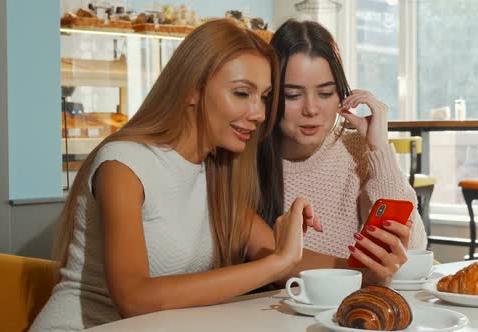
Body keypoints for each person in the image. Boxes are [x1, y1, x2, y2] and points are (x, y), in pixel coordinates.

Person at [30, 19, 327, 331]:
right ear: (192, 91)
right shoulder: (123, 164)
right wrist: (277, 263)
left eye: (264, 96)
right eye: (242, 93)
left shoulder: (215, 172)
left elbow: (288, 259)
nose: (260, 113)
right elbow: (134, 299)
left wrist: (370, 271)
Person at [258, 19, 428, 283]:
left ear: (342, 96)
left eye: (325, 93)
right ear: (271, 95)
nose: (311, 109)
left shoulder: (358, 150)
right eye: (293, 95)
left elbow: (412, 249)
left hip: (353, 310)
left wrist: (379, 148)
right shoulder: (248, 159)